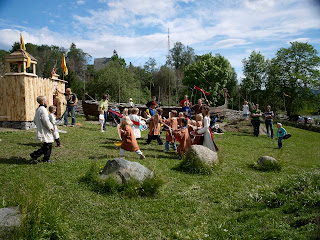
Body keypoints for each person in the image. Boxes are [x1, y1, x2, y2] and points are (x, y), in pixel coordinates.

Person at [30, 96, 54, 164]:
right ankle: (34, 155)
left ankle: (46, 159)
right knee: (48, 145)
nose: (47, 101)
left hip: (42, 128)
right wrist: (50, 127)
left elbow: (35, 120)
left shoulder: (38, 109)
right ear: (43, 102)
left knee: (47, 145)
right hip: (44, 129)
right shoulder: (43, 109)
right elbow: (45, 120)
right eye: (46, 100)